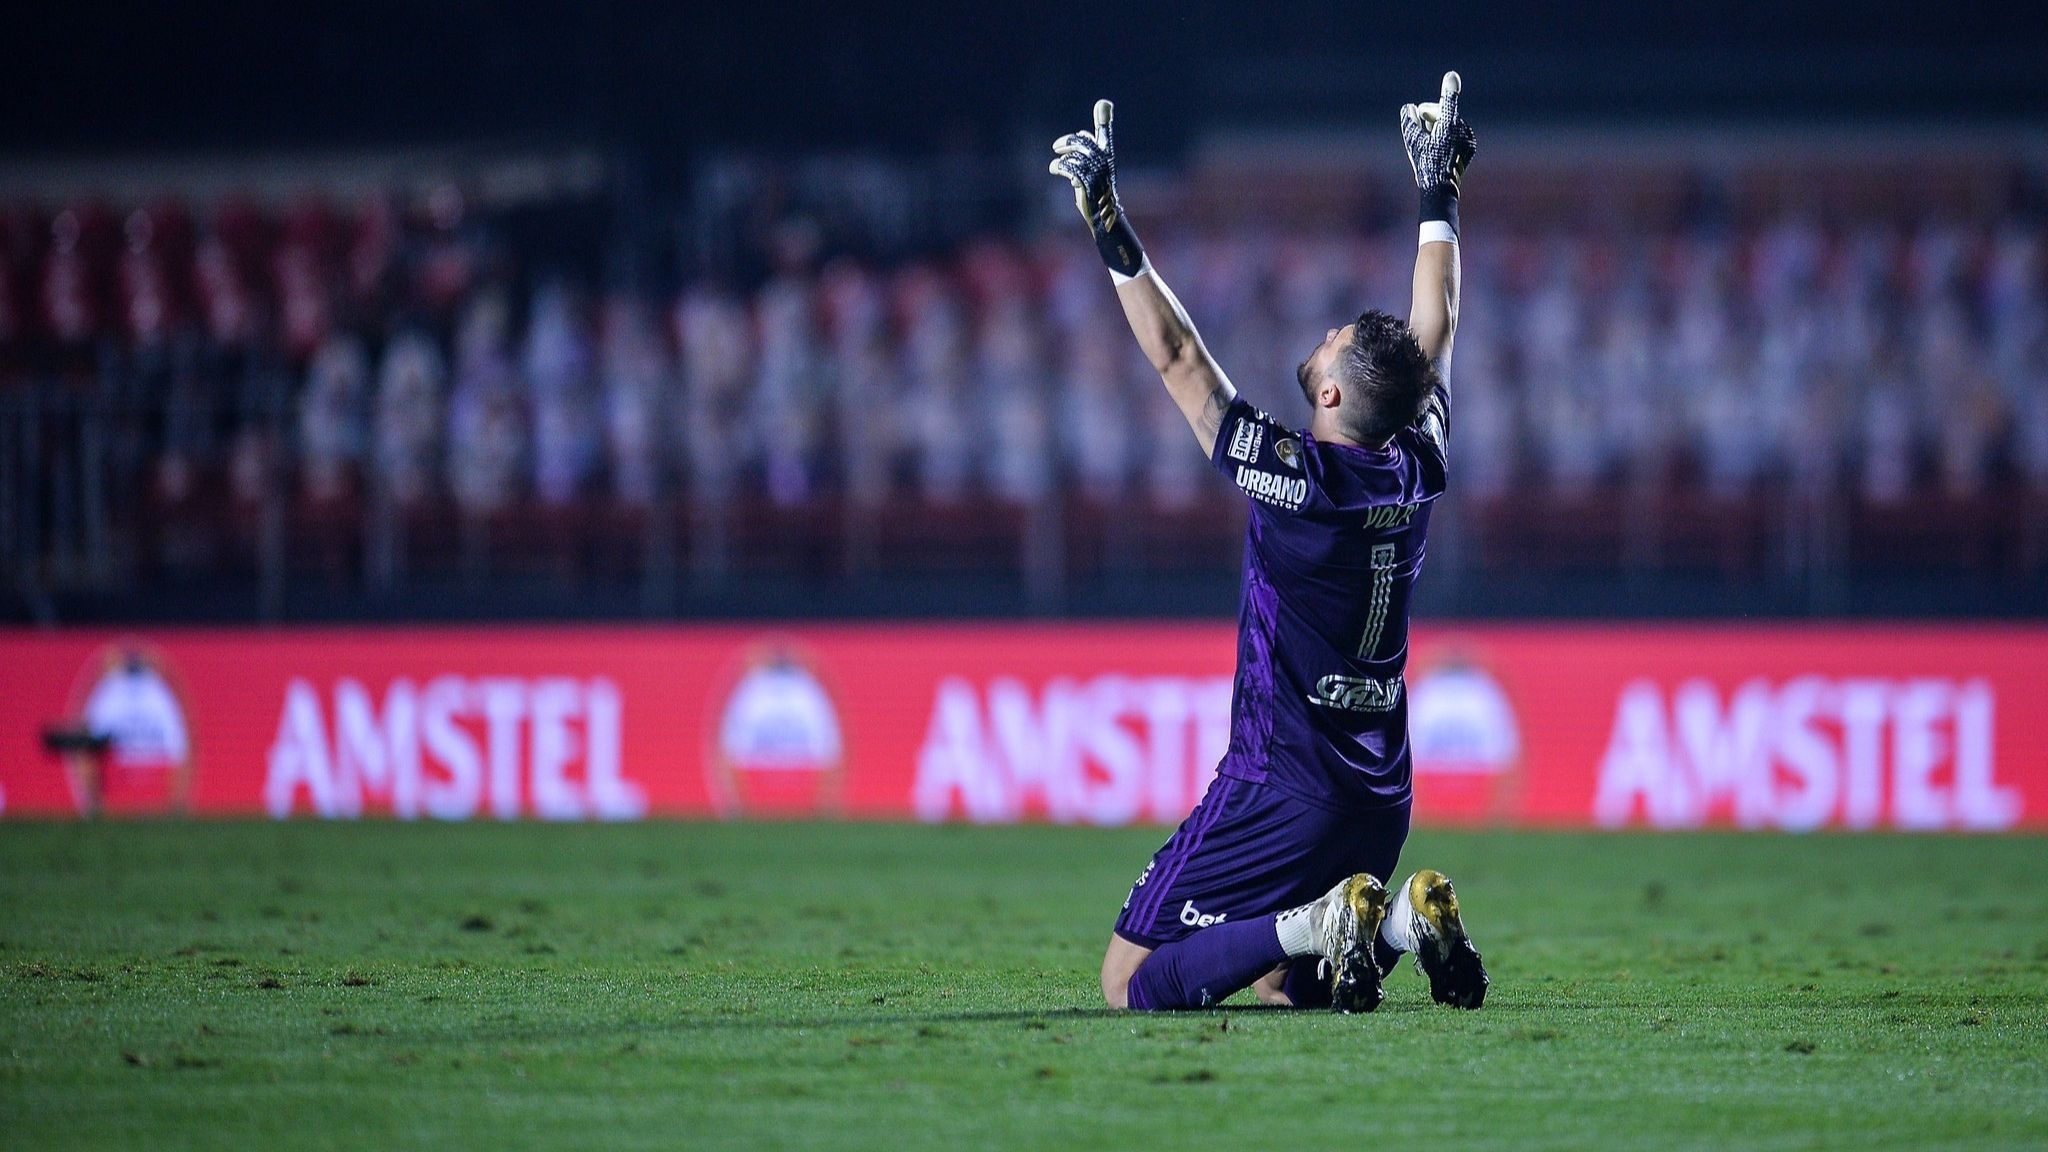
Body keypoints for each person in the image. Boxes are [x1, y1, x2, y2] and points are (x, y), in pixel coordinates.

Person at [1051, 73, 1489, 1013]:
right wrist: (1437, 194)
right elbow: (1439, 327)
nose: (1324, 336)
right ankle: (1404, 923)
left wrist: (1110, 229)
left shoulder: (1300, 481)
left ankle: (1316, 920)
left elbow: (1179, 361)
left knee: (1128, 982)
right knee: (1293, 991)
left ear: (1330, 396)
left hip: (1279, 788)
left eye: (1331, 343)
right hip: (1381, 794)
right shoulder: (1421, 463)